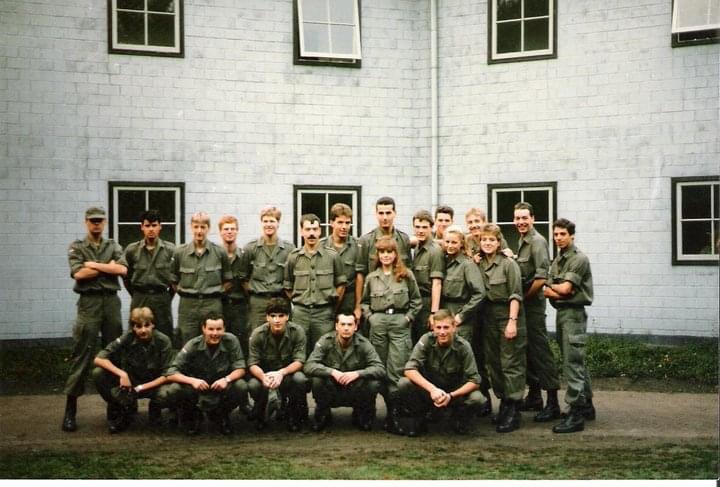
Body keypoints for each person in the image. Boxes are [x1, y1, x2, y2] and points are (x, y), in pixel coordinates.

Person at [62, 206, 127, 432]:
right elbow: (79, 274)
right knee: (81, 355)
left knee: (114, 355)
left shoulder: (113, 245)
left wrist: (94, 265)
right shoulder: (77, 246)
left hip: (110, 303)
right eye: (92, 221)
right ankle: (70, 411)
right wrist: (107, 268)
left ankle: (115, 409)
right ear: (86, 222)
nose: (96, 224)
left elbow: (122, 269)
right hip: (88, 304)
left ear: (105, 222)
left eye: (99, 220)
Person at [360, 236, 422, 435]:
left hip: (399, 323)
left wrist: (408, 319)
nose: (386, 256)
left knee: (397, 369)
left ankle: (394, 415)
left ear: (396, 254)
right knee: (378, 368)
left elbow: (416, 301)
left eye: (389, 252)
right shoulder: (372, 277)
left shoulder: (405, 275)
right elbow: (364, 302)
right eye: (382, 252)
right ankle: (370, 412)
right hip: (378, 324)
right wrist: (370, 318)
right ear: (378, 255)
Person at [543, 218, 596, 434]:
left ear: (571, 235)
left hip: (574, 315)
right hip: (562, 314)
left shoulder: (578, 259)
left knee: (572, 364)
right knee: (574, 360)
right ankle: (586, 405)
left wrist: (557, 291)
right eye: (555, 234)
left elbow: (564, 289)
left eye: (562, 234)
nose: (558, 238)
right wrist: (558, 291)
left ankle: (575, 413)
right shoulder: (558, 260)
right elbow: (549, 289)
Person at [398, 309, 485, 436]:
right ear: (433, 328)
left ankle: (459, 418)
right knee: (404, 384)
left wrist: (451, 396)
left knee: (477, 399)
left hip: (454, 393)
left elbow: (475, 380)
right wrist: (432, 390)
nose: (442, 332)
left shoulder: (463, 346)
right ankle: (418, 418)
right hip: (430, 392)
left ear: (454, 327)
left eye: (446, 327)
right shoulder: (426, 340)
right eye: (438, 327)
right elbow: (409, 369)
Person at [513, 202, 562, 422]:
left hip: (532, 304)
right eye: (517, 218)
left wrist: (523, 299)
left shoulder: (538, 242)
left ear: (532, 218)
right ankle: (534, 396)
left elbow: (541, 278)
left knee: (541, 352)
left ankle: (553, 402)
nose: (521, 222)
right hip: (524, 303)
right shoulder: (522, 241)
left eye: (525, 218)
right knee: (527, 352)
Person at [160, 314, 248, 435]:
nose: (215, 333)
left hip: (220, 386)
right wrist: (193, 381)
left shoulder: (231, 341)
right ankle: (194, 416)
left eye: (219, 329)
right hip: (197, 388)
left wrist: (226, 379)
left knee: (241, 386)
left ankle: (222, 415)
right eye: (211, 329)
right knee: (174, 389)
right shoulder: (193, 345)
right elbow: (171, 373)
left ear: (224, 329)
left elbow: (241, 368)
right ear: (203, 329)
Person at [477, 223, 527, 433]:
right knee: (494, 362)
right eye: (484, 240)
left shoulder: (508, 264)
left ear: (499, 243)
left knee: (510, 362)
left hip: (507, 314)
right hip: (488, 316)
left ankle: (514, 407)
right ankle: (504, 401)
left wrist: (512, 321)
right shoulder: (478, 264)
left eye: (492, 240)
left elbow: (516, 294)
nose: (487, 243)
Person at [92, 307, 174, 433]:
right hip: (131, 382)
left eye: (147, 325)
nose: (143, 330)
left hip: (155, 384)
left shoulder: (163, 341)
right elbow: (99, 358)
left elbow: (167, 375)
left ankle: (155, 408)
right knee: (98, 373)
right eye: (138, 326)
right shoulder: (128, 337)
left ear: (153, 324)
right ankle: (121, 407)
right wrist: (122, 374)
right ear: (133, 327)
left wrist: (142, 388)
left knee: (172, 390)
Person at [304, 313, 385, 432]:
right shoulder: (326, 341)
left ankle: (362, 413)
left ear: (355, 327)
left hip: (354, 387)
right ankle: (323, 413)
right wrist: (331, 372)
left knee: (373, 383)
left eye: (350, 324)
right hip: (332, 387)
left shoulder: (363, 343)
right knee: (317, 380)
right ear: (336, 326)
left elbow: (380, 368)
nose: (346, 328)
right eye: (343, 324)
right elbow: (309, 365)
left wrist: (357, 373)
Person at [284, 213, 346, 353]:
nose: (311, 233)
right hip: (301, 313)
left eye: (314, 229)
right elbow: (288, 286)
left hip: (324, 313)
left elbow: (341, 285)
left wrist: (332, 307)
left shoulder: (332, 256)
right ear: (301, 231)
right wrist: (299, 303)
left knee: (324, 349)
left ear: (320, 231)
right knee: (299, 349)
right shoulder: (294, 257)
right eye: (307, 229)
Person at [171, 212, 232, 345]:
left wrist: (217, 293)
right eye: (196, 227)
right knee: (187, 339)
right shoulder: (180, 252)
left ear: (208, 228)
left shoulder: (219, 252)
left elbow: (228, 281)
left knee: (213, 340)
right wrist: (185, 292)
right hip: (188, 305)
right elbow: (174, 280)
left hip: (212, 303)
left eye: (203, 227)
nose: (199, 231)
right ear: (191, 227)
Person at [247, 298, 308, 431]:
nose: (277, 320)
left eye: (281, 315)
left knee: (300, 379)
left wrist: (281, 373)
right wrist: (263, 377)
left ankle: (293, 414)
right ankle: (261, 413)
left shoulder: (297, 332)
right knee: (253, 385)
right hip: (265, 375)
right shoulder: (258, 334)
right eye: (273, 316)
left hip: (287, 374)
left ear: (287, 317)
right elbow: (252, 363)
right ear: (267, 317)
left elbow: (300, 360)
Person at [354, 196, 412, 324]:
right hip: (375, 304)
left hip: (399, 306)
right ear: (376, 214)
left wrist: (408, 315)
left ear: (395, 213)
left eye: (388, 213)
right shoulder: (366, 241)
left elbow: (408, 273)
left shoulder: (403, 240)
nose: (385, 217)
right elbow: (360, 275)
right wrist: (359, 307)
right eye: (381, 213)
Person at [121, 209, 176, 342]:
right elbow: (125, 276)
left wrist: (168, 296)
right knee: (136, 334)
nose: (151, 229)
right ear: (142, 227)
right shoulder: (132, 250)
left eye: (154, 225)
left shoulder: (170, 249)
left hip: (161, 297)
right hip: (140, 296)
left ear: (160, 226)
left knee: (164, 333)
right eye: (147, 225)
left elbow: (176, 276)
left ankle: (164, 362)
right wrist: (135, 294)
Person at [241, 206, 295, 331]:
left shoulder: (289, 249)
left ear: (278, 223)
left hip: (281, 299)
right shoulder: (251, 248)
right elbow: (243, 277)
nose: (269, 225)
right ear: (261, 223)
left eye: (272, 221)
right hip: (258, 301)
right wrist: (254, 294)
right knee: (256, 333)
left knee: (282, 335)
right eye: (265, 221)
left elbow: (293, 277)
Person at [440, 225, 486, 345]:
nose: (450, 245)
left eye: (454, 242)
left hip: (461, 316)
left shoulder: (467, 265)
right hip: (445, 314)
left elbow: (479, 294)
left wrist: (462, 315)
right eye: (447, 242)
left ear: (461, 244)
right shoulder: (443, 262)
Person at [410, 210, 444, 344]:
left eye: (425, 227)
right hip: (416, 302)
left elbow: (437, 283)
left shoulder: (434, 251)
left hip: (428, 302)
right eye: (417, 227)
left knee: (427, 342)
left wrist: (433, 313)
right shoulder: (418, 246)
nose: (421, 231)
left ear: (432, 227)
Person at [218, 215, 250, 356]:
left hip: (240, 306)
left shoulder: (244, 256)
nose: (229, 232)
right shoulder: (215, 255)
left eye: (232, 229)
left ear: (237, 231)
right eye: (226, 229)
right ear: (220, 232)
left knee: (241, 340)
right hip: (219, 304)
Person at [320, 203, 359, 316]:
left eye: (347, 223)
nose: (344, 227)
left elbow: (360, 277)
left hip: (349, 300)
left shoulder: (357, 246)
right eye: (340, 222)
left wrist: (358, 306)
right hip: (326, 299)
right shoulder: (322, 246)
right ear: (332, 223)